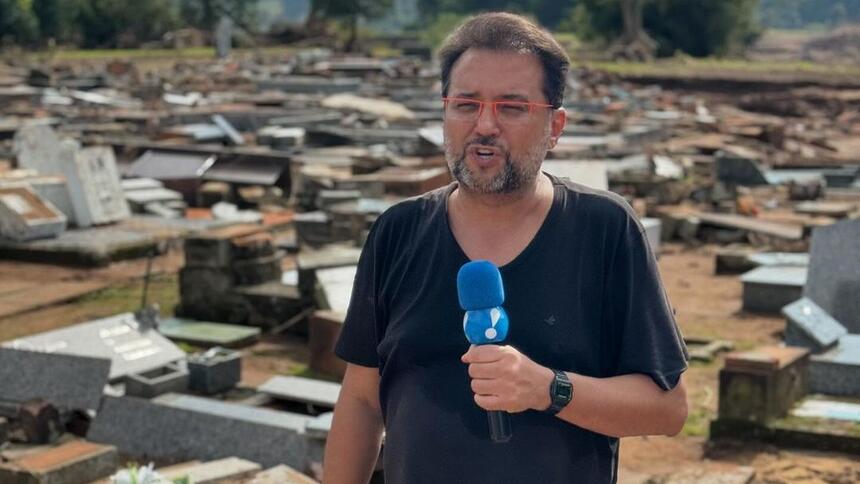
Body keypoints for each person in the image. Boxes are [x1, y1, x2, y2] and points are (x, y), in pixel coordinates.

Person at [323, 12, 688, 484]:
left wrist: (549, 389)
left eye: (511, 107)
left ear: (556, 126)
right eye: (466, 104)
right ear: (444, 112)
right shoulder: (398, 231)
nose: (485, 125)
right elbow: (360, 399)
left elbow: (668, 409)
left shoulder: (605, 230)